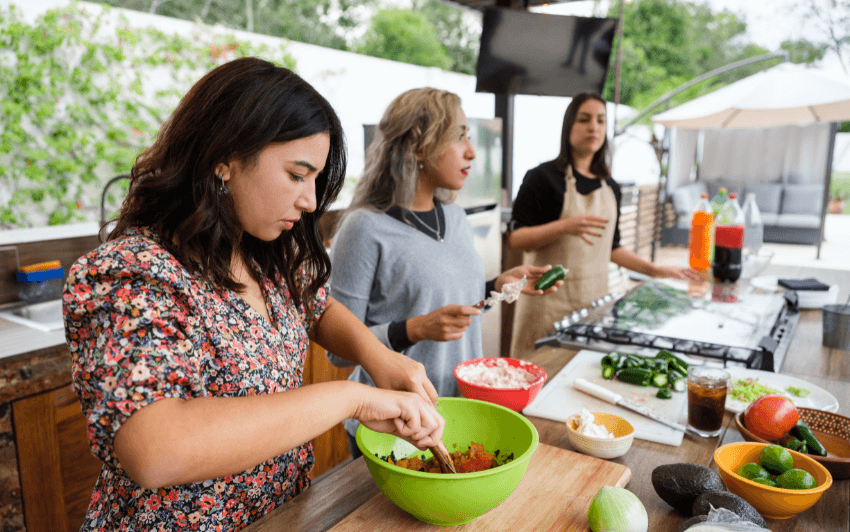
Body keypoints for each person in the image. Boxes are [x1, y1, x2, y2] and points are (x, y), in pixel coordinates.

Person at [63, 58, 447, 531]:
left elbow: (317, 307)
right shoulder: (133, 273)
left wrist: (377, 354)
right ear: (224, 159)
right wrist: (353, 399)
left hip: (280, 516)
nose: (310, 201)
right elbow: (156, 450)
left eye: (315, 179)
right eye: (296, 174)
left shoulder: (268, 251)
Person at [327, 88, 562, 458]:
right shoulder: (363, 229)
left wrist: (497, 287)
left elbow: (449, 310)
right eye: (459, 136)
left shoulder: (454, 216)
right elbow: (338, 353)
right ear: (419, 147)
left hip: (457, 412)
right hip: (393, 424)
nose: (471, 150)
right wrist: (414, 329)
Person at [507, 92, 697, 359]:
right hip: (545, 308)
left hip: (592, 308)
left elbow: (612, 247)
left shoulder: (611, 187)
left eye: (600, 121)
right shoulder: (542, 178)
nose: (593, 127)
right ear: (569, 126)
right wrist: (564, 226)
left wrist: (654, 270)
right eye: (584, 119)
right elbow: (516, 239)